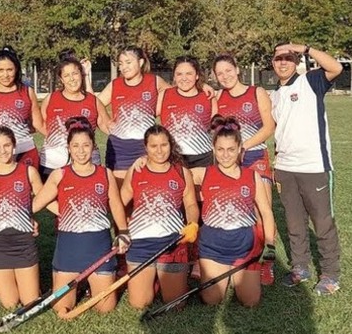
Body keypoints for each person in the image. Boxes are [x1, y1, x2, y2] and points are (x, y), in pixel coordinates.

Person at [32, 117, 130, 316]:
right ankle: (81, 284)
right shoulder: (59, 174)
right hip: (69, 251)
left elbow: (116, 205)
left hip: (99, 249)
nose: (81, 150)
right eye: (75, 145)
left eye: (86, 145)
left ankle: (94, 282)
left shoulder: (105, 174)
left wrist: (123, 232)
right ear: (68, 147)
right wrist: (58, 210)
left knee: (105, 308)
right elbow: (36, 203)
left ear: (94, 146)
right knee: (61, 307)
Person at [270, 43, 343, 295]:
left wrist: (305, 48)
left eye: (288, 58)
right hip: (285, 168)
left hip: (314, 167)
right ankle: (300, 267)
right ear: (272, 62)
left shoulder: (310, 81)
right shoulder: (274, 95)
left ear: (296, 61)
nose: (283, 62)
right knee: (294, 222)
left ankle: (330, 274)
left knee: (322, 223)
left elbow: (336, 67)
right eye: (279, 58)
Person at [198, 116, 276, 307]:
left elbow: (266, 212)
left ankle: (237, 273)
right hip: (213, 248)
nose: (225, 155)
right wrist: (143, 160)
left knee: (251, 301)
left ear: (240, 149)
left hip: (245, 249)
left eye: (231, 149)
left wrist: (270, 244)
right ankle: (224, 272)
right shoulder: (202, 173)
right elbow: (171, 172)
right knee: (211, 300)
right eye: (220, 150)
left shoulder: (252, 176)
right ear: (214, 150)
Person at [119, 125, 199, 308]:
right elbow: (120, 203)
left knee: (175, 305)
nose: (159, 151)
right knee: (139, 303)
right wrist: (123, 228)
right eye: (153, 146)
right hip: (141, 243)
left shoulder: (181, 172)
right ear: (145, 147)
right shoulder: (137, 170)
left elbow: (191, 204)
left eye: (164, 145)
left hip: (172, 243)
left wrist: (193, 223)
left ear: (170, 145)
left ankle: (161, 277)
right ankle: (152, 279)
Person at [213, 53, 276, 284]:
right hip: (231, 163)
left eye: (228, 70)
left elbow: (269, 126)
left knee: (262, 210)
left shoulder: (256, 92)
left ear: (237, 69)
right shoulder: (218, 97)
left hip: (255, 157)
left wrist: (243, 146)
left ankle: (267, 261)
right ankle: (244, 256)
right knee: (238, 211)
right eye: (220, 73)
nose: (225, 76)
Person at [0, 126, 44, 308]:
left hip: (22, 239)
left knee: (29, 302)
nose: (3, 151)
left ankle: (32, 286)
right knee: (9, 303)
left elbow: (42, 198)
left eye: (7, 145)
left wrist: (28, 216)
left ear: (14, 146)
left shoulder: (28, 171)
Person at [94, 47, 168, 187]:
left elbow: (175, 93)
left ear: (140, 62)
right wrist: (106, 123)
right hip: (119, 148)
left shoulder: (154, 81)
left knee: (146, 189)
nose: (123, 67)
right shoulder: (115, 85)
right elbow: (94, 104)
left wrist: (155, 110)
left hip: (145, 146)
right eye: (121, 64)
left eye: (128, 62)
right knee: (120, 194)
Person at [39, 57, 110, 180]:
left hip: (87, 164)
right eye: (66, 75)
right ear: (61, 79)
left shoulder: (93, 101)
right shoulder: (51, 99)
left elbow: (108, 126)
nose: (71, 79)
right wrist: (58, 142)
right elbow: (41, 125)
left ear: (81, 75)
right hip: (52, 164)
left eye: (75, 73)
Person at [0, 47, 43, 170]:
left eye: (9, 70)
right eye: (0, 70)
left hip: (25, 151)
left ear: (16, 69)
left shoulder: (27, 91)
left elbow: (37, 124)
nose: (5, 75)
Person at [157, 56, 217, 188]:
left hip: (202, 157)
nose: (184, 78)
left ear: (197, 75)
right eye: (179, 74)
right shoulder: (165, 95)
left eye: (189, 73)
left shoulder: (208, 96)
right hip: (174, 157)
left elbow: (217, 128)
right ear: (174, 76)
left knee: (201, 201)